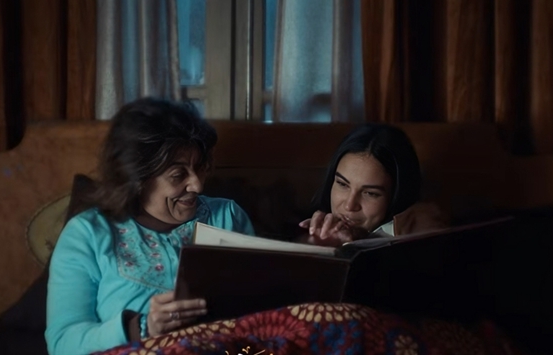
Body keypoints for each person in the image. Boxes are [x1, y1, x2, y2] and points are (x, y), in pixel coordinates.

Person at [45, 98, 255, 355]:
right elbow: (62, 344)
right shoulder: (87, 234)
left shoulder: (228, 217)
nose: (197, 186)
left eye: (201, 168)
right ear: (137, 178)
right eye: (178, 175)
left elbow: (263, 311)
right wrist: (141, 328)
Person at [299, 123, 447, 246]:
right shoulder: (311, 225)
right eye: (342, 184)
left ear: (396, 195)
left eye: (370, 193)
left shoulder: (421, 227)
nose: (350, 205)